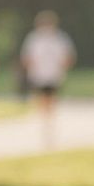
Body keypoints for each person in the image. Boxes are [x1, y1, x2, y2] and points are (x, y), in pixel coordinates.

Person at [20, 10, 75, 148]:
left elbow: (68, 56)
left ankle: (49, 125)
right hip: (39, 76)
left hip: (54, 75)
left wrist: (62, 67)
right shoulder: (34, 39)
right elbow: (27, 57)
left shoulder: (60, 38)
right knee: (43, 100)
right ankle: (44, 124)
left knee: (51, 100)